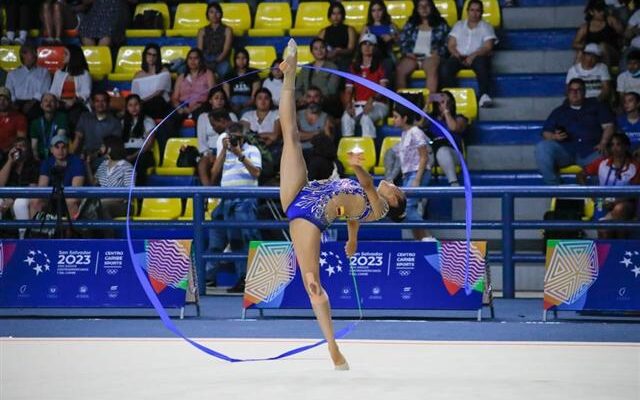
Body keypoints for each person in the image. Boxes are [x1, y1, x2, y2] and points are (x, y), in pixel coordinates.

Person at [278, 39, 406, 370]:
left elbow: (364, 184)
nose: (391, 183)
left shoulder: (379, 208)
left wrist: (358, 163)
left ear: (393, 203)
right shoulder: (370, 208)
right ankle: (289, 75)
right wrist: (352, 240)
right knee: (290, 136)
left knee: (312, 283)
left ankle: (333, 348)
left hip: (307, 216)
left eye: (395, 188)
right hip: (302, 191)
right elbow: (353, 215)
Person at [208, 122, 262, 293]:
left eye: (237, 136)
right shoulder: (224, 153)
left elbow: (256, 172)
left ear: (243, 136)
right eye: (231, 136)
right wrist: (224, 150)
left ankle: (246, 280)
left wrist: (240, 154)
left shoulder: (252, 150)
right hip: (226, 200)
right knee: (217, 238)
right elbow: (214, 173)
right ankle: (207, 278)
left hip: (245, 200)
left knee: (243, 239)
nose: (233, 139)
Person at [535, 78, 615, 185]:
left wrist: (603, 143)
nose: (575, 93)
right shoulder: (559, 111)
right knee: (542, 147)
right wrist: (555, 137)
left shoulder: (597, 106)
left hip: (591, 150)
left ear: (584, 92)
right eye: (572, 90)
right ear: (567, 93)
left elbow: (609, 126)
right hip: (566, 150)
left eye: (578, 90)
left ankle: (598, 198)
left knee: (605, 160)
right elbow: (546, 132)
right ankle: (555, 187)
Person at [578, 133, 640, 238]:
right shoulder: (602, 162)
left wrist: (614, 201)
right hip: (602, 201)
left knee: (619, 209)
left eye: (618, 144)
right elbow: (580, 175)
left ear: (625, 146)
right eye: (612, 145)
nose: (615, 148)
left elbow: (635, 192)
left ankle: (621, 245)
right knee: (604, 231)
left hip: (625, 201)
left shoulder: (635, 166)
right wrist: (590, 195)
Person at [440, 0, 497, 108]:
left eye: (477, 10)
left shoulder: (486, 26)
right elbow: (451, 44)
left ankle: (484, 96)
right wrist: (455, 53)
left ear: (481, 12)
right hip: (459, 56)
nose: (474, 13)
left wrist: (473, 56)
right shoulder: (459, 25)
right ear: (467, 11)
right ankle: (452, 97)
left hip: (477, 56)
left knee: (482, 63)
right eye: (472, 10)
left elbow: (488, 47)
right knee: (445, 68)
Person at [393, 104, 433, 240]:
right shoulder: (405, 134)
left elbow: (424, 156)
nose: (394, 119)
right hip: (409, 174)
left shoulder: (415, 132)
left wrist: (417, 179)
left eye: (396, 117)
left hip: (418, 172)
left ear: (404, 118)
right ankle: (421, 241)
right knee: (409, 208)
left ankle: (429, 240)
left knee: (408, 207)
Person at [395, 0, 450, 94]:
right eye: (420, 6)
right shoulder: (410, 24)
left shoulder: (441, 24)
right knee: (400, 70)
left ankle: (428, 104)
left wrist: (438, 52)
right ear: (417, 9)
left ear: (432, 7)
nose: (424, 8)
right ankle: (402, 103)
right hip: (412, 56)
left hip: (430, 57)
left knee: (432, 69)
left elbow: (448, 42)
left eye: (426, 5)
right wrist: (408, 52)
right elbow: (402, 41)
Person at [341, 33, 389, 139]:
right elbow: (348, 90)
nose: (367, 47)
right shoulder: (353, 67)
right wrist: (348, 105)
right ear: (360, 47)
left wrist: (371, 100)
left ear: (375, 48)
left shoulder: (381, 66)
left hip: (378, 104)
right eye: (364, 44)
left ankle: (368, 150)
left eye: (370, 44)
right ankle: (349, 149)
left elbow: (383, 89)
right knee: (346, 118)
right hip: (358, 103)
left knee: (366, 118)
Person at [31, 134, 86, 219]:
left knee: (71, 201)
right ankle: (36, 230)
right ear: (51, 149)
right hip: (52, 196)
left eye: (63, 147)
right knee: (36, 200)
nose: (60, 150)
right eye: (57, 147)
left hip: (69, 196)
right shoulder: (47, 162)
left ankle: (71, 231)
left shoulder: (77, 162)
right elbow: (42, 187)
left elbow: (75, 189)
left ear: (68, 149)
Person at [422, 91, 468, 186]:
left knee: (442, 151)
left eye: (446, 102)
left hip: (453, 154)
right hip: (432, 153)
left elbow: (453, 128)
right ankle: (421, 195)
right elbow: (419, 125)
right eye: (440, 102)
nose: (442, 104)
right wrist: (427, 104)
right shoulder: (431, 119)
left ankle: (454, 183)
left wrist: (446, 111)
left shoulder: (460, 118)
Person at [0, 137, 40, 239]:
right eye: (16, 147)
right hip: (8, 197)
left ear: (28, 149)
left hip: (25, 196)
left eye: (22, 146)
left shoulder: (34, 164)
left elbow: (32, 188)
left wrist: (12, 200)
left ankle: (23, 238)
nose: (18, 149)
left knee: (19, 203)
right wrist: (9, 161)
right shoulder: (8, 163)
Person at [85, 135, 133, 219]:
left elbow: (128, 194)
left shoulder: (127, 166)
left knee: (102, 206)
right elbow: (94, 182)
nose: (100, 149)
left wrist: (104, 200)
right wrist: (88, 164)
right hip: (102, 201)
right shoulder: (104, 165)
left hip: (123, 204)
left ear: (110, 148)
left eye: (103, 146)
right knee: (86, 204)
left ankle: (108, 232)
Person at [72, 90, 122, 169]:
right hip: (84, 154)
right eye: (97, 101)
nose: (100, 104)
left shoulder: (115, 122)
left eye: (103, 101)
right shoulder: (85, 117)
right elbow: (78, 138)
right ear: (93, 103)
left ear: (108, 103)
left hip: (103, 156)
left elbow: (112, 147)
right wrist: (70, 156)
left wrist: (94, 155)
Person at [294, 38, 341, 117]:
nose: (319, 51)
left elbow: (331, 90)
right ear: (312, 52)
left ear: (326, 49)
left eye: (322, 47)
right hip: (305, 103)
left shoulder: (333, 67)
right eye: (316, 49)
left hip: (324, 104)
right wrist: (302, 99)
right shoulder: (305, 68)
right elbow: (297, 89)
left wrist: (314, 99)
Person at [49, 44, 92, 128]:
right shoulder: (59, 73)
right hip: (60, 103)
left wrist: (73, 101)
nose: (63, 56)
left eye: (66, 53)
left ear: (73, 56)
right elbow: (53, 91)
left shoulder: (84, 74)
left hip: (77, 103)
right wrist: (58, 102)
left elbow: (86, 93)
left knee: (74, 114)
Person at [5, 44, 51, 120]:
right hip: (16, 103)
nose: (35, 55)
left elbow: (44, 90)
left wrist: (31, 102)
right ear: (23, 54)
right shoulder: (13, 73)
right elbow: (9, 91)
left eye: (35, 52)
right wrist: (13, 103)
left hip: (36, 103)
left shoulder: (44, 72)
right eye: (32, 52)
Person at [573, 0, 623, 67]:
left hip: (612, 54)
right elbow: (575, 44)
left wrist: (614, 19)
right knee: (580, 53)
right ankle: (577, 75)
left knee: (603, 46)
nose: (602, 13)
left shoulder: (610, 20)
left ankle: (604, 72)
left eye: (603, 10)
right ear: (591, 12)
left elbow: (622, 33)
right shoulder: (585, 27)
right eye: (599, 11)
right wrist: (586, 47)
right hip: (595, 55)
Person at [131, 43, 172, 120]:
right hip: (143, 105)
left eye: (154, 55)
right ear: (145, 55)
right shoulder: (137, 75)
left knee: (157, 101)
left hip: (159, 105)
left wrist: (141, 102)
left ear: (158, 57)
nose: (151, 57)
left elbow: (159, 93)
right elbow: (134, 96)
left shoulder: (164, 71)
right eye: (149, 54)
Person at [121, 94, 156, 186]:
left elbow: (149, 144)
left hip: (142, 152)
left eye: (136, 104)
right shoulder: (122, 122)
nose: (134, 108)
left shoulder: (148, 121)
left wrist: (133, 156)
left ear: (140, 105)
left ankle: (139, 196)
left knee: (139, 164)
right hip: (126, 152)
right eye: (130, 105)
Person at [196, 2, 233, 79]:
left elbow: (226, 50)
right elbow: (200, 50)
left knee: (225, 70)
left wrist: (216, 61)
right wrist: (205, 62)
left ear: (221, 14)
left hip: (221, 59)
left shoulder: (227, 30)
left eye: (217, 12)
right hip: (205, 58)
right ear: (207, 15)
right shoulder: (202, 31)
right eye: (211, 12)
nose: (214, 15)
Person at [319, 2, 357, 72]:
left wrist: (338, 51)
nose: (336, 16)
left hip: (345, 61)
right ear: (330, 16)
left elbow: (351, 49)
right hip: (328, 60)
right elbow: (318, 48)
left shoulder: (350, 29)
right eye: (333, 14)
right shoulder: (324, 31)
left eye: (338, 13)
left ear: (342, 15)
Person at [29, 93, 69, 161]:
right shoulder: (35, 123)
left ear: (57, 105)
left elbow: (59, 138)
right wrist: (36, 159)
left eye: (52, 101)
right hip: (41, 157)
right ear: (41, 105)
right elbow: (34, 146)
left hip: (57, 155)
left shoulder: (62, 117)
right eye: (45, 101)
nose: (48, 103)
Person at [197, 109, 231, 186]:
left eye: (214, 125)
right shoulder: (240, 128)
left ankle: (208, 192)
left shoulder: (224, 137)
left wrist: (211, 187)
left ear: (222, 121)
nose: (213, 129)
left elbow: (217, 168)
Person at [222, 48, 260, 116]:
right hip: (232, 103)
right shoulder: (228, 75)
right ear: (234, 60)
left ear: (247, 59)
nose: (241, 61)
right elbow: (226, 96)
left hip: (248, 104)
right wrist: (232, 106)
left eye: (244, 58)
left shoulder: (253, 74)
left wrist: (243, 106)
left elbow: (254, 97)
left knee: (246, 115)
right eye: (238, 58)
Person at [0, 87, 28, 154]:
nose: (1, 102)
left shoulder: (19, 118)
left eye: (5, 99)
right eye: (0, 99)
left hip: (10, 152)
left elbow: (21, 142)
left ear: (10, 101)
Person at [617, 91, 640, 158]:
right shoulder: (619, 120)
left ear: (638, 103)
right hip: (625, 155)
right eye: (624, 102)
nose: (626, 104)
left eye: (630, 101)